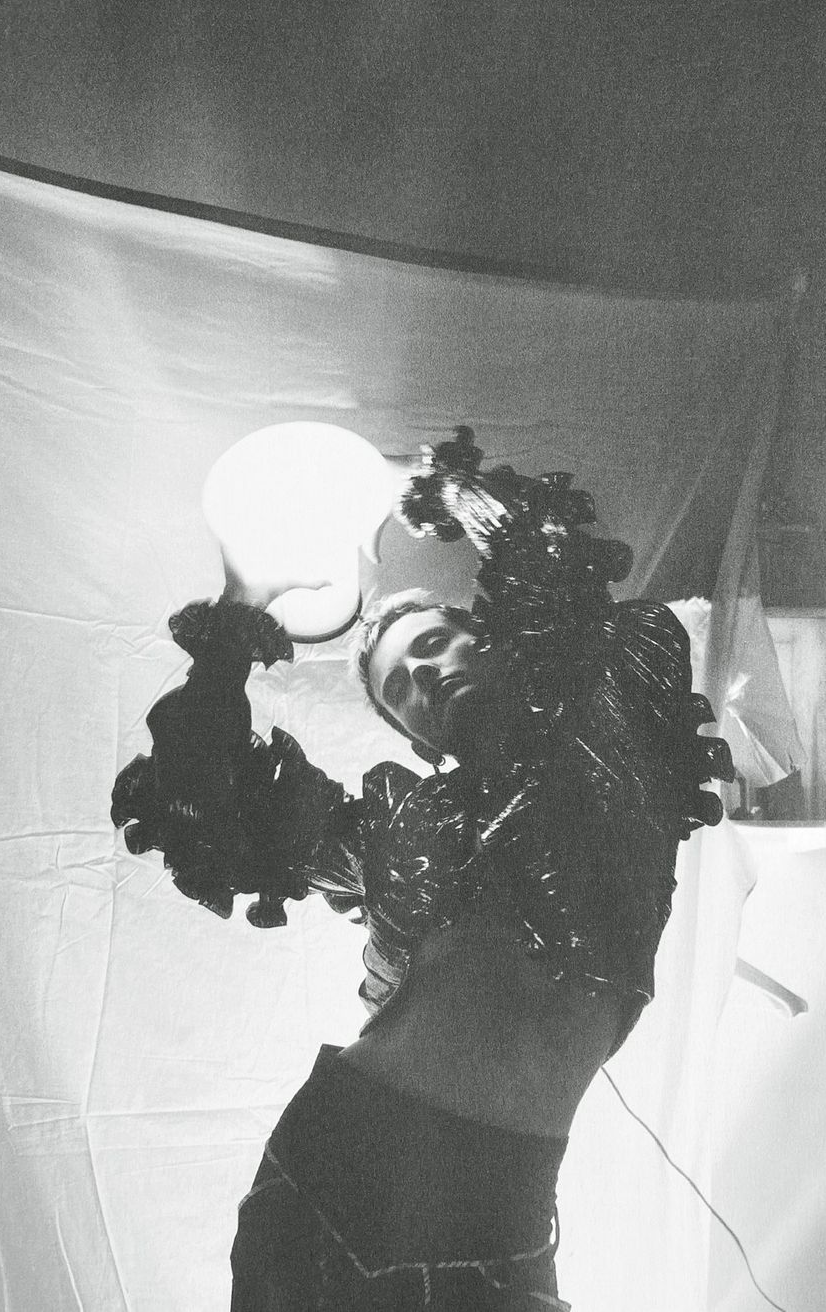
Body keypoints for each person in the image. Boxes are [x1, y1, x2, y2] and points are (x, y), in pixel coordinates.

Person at [112, 428, 733, 1311]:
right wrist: (240, 610)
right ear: (412, 739)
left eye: (436, 643)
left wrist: (445, 488)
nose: (425, 674)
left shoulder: (614, 699)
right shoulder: (399, 831)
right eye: (400, 685)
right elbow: (202, 806)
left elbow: (559, 576)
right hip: (328, 1176)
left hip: (501, 1211)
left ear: (491, 637)